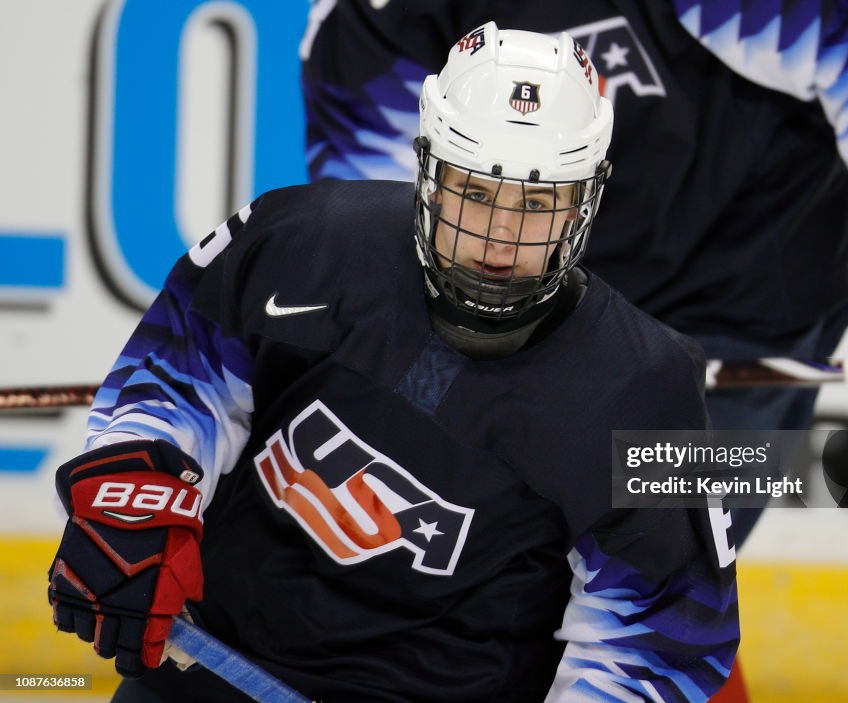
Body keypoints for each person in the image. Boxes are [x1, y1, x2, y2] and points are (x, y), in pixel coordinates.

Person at [47, 24, 739, 702]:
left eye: (536, 203)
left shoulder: (652, 387)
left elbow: (667, 634)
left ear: (584, 202)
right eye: (475, 192)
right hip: (214, 668)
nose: (499, 239)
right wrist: (135, 496)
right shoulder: (297, 239)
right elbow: (176, 374)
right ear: (430, 172)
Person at [300, 0, 848, 545]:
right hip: (529, 308)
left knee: (672, 542)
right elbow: (384, 202)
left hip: (755, 318)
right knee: (491, 559)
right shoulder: (375, 15)